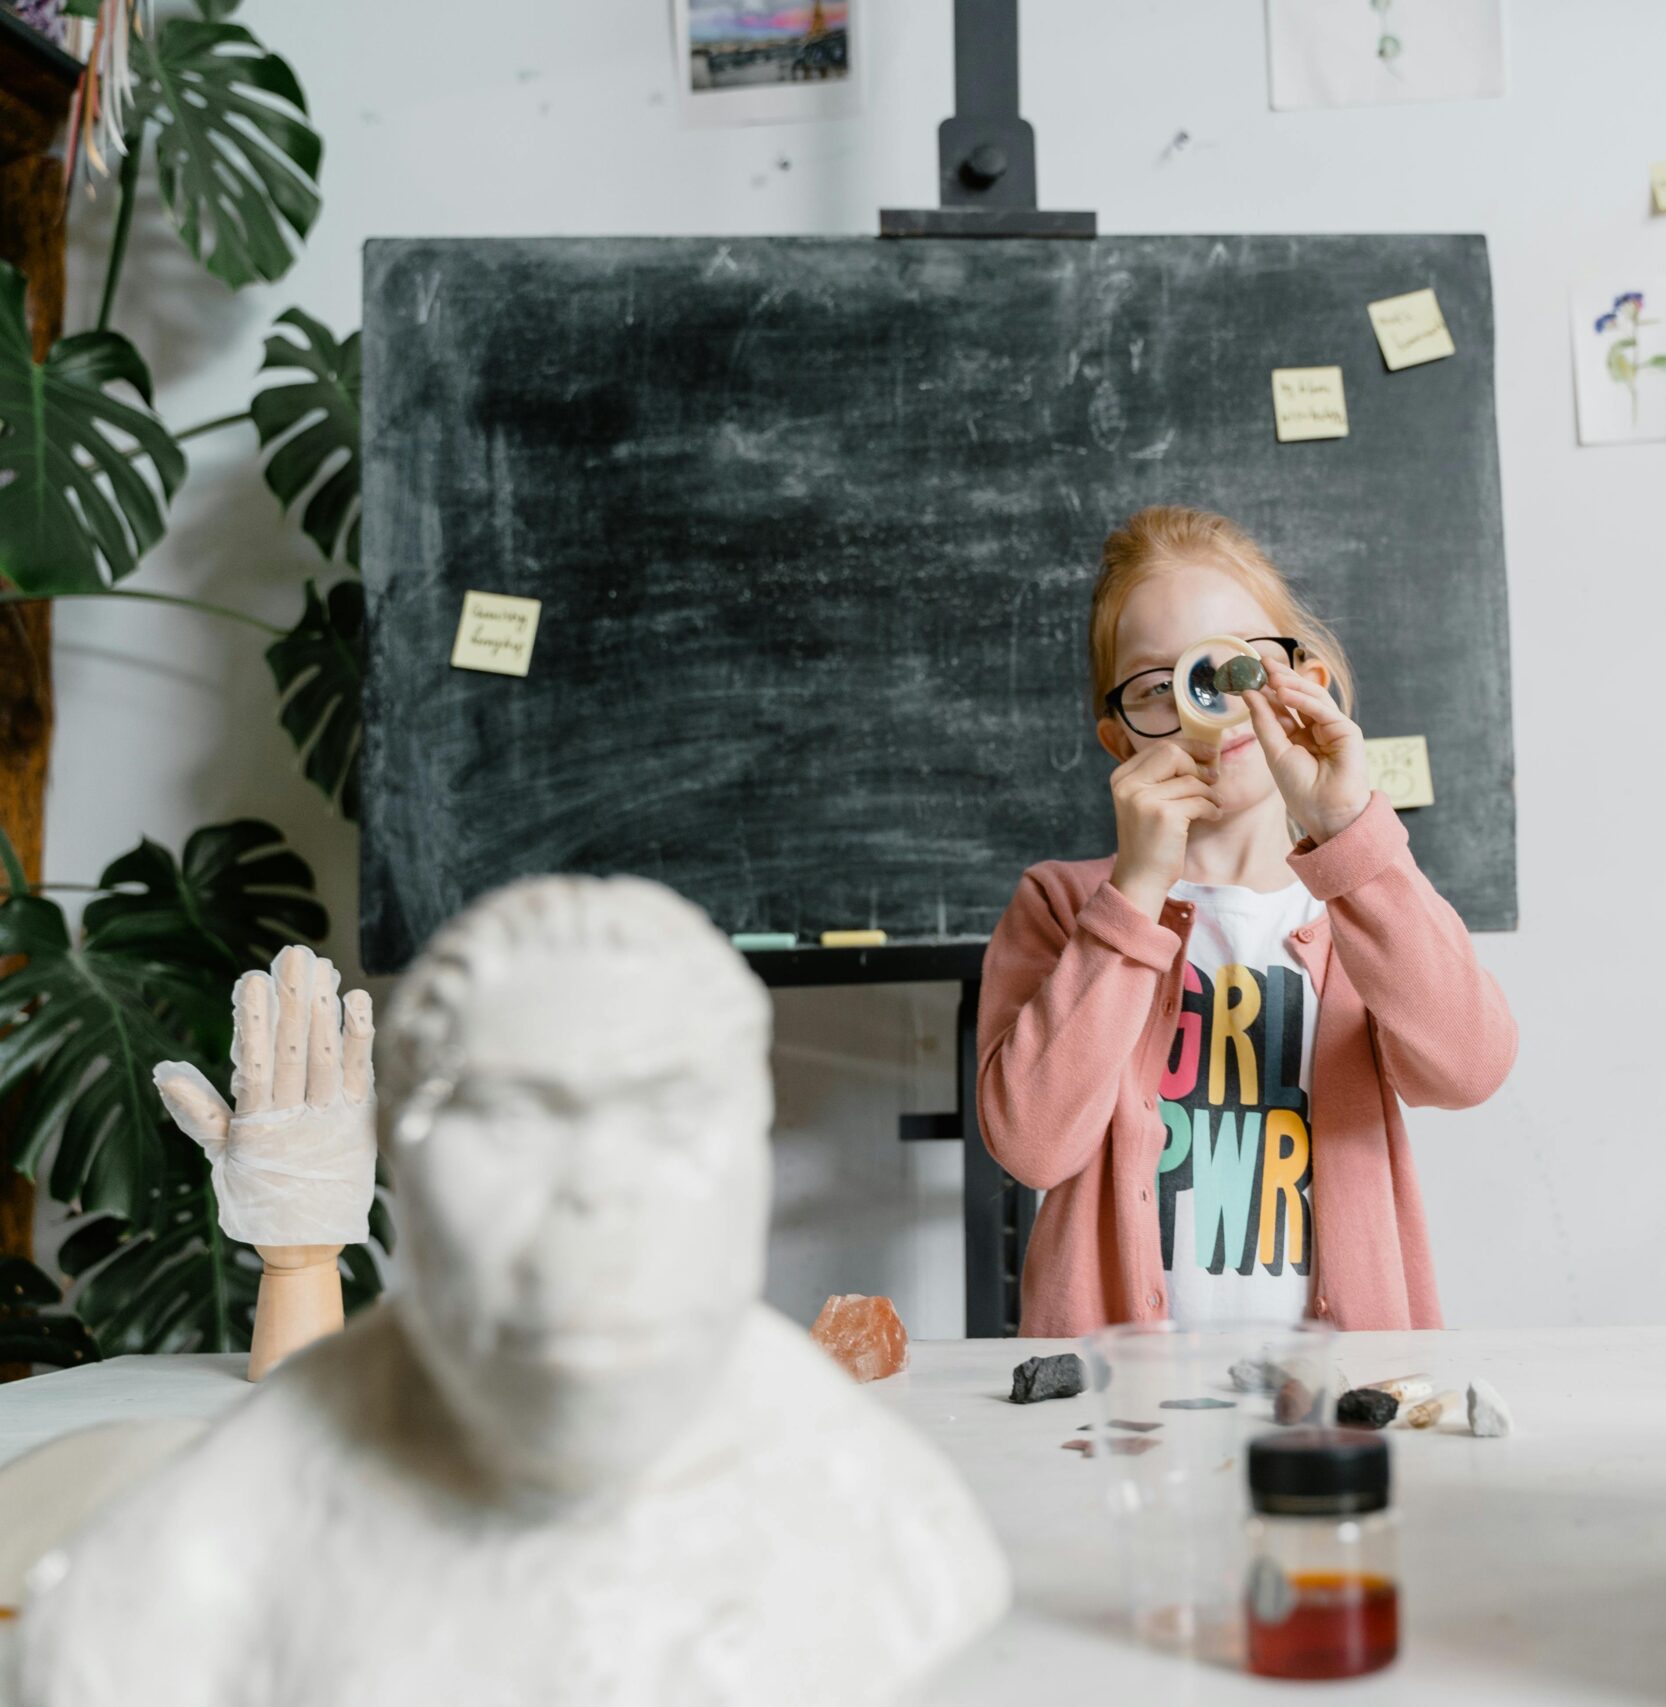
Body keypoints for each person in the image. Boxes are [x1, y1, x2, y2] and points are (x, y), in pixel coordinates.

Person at [19, 876, 1007, 1707]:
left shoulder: (890, 1528)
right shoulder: (188, 1572)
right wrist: (301, 1259)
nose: (595, 1190)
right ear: (400, 1156)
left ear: (753, 1144)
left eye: (670, 1113)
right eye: (506, 1119)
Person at [978, 505, 1516, 1337]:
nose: (1207, 708)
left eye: (1234, 671)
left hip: (1336, 1403)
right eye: (1161, 688)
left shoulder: (1360, 903)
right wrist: (1135, 893)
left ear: (1307, 680)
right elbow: (1031, 1144)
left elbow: (1470, 1067)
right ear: (1121, 740)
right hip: (1120, 1421)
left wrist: (1349, 832)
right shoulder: (1062, 907)